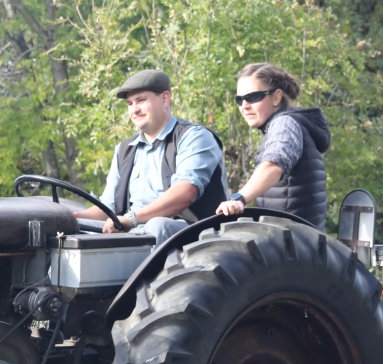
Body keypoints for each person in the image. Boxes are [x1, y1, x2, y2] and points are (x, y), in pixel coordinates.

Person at [74, 68, 228, 240]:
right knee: (75, 229)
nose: (134, 110)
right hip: (134, 233)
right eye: (129, 104)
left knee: (157, 225)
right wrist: (72, 217)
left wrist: (132, 219)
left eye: (141, 100)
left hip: (193, 235)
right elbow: (107, 208)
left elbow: (185, 192)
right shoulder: (124, 150)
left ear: (165, 99)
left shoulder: (194, 137)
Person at [215, 63, 330, 229]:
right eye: (239, 100)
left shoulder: (284, 124)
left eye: (253, 97)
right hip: (295, 235)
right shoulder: (287, 124)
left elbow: (274, 165)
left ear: (276, 97)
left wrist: (239, 198)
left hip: (292, 237)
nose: (244, 106)